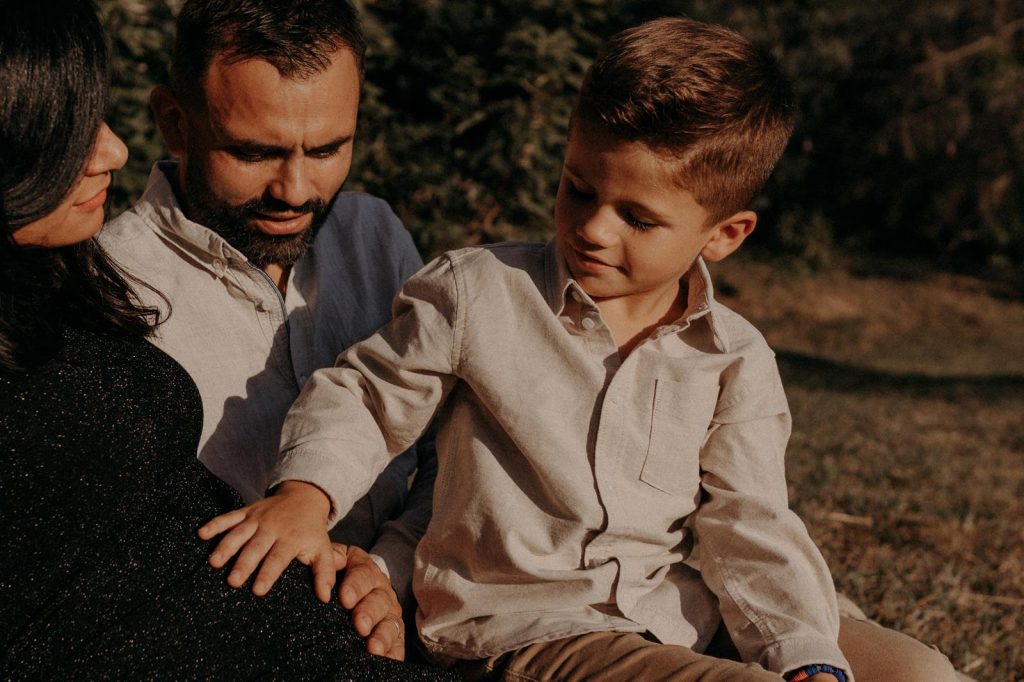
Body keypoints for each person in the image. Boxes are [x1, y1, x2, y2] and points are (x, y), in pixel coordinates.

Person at [200, 17, 963, 682]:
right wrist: (305, 497)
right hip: (533, 628)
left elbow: (750, 522)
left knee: (922, 673)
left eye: (637, 216)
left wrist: (807, 654)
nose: (594, 227)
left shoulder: (735, 359)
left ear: (724, 235)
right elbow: (366, 396)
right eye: (578, 188)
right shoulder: (479, 292)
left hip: (685, 605)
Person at [0, 2, 457, 679]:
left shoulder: (375, 235)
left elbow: (451, 446)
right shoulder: (107, 289)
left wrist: (385, 569)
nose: (296, 189)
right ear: (175, 122)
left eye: (328, 149)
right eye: (254, 153)